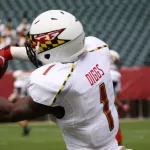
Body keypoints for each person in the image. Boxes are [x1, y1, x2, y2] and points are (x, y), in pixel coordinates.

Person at [0, 10, 127, 150]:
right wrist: (8, 52)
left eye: (36, 44)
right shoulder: (97, 49)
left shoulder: (62, 83)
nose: (32, 48)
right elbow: (57, 52)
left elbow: (8, 113)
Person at [110, 50, 130, 145]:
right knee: (116, 139)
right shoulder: (115, 75)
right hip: (109, 110)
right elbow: (113, 96)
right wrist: (122, 106)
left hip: (93, 110)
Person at [8, 70, 30, 136]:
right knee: (21, 116)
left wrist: (12, 97)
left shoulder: (18, 82)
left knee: (15, 115)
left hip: (20, 100)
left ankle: (25, 127)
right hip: (26, 99)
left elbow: (18, 92)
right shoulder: (25, 81)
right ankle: (25, 128)